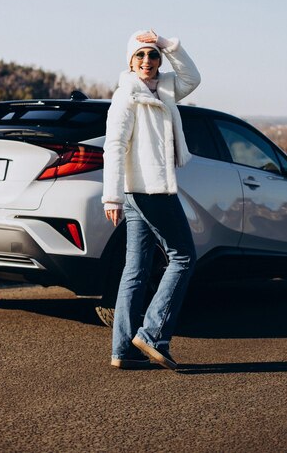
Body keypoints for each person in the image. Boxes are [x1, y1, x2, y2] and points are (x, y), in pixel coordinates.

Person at [102, 29, 201, 370]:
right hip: (148, 192)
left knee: (136, 270)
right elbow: (113, 147)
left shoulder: (167, 90)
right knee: (184, 256)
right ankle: (153, 334)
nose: (147, 61)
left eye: (153, 55)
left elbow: (193, 76)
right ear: (130, 61)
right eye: (140, 55)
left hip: (142, 194)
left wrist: (167, 43)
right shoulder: (126, 96)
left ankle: (123, 350)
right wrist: (111, 196)